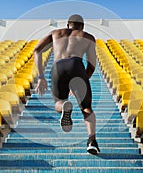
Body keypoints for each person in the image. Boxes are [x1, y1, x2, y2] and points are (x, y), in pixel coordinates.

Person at [34, 14, 100, 154]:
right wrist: (83, 78)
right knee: (86, 107)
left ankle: (64, 106)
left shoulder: (55, 33)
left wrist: (41, 76)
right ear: (82, 26)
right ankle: (92, 141)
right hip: (76, 65)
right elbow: (92, 64)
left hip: (58, 67)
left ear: (68, 24)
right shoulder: (87, 36)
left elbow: (37, 50)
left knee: (59, 101)